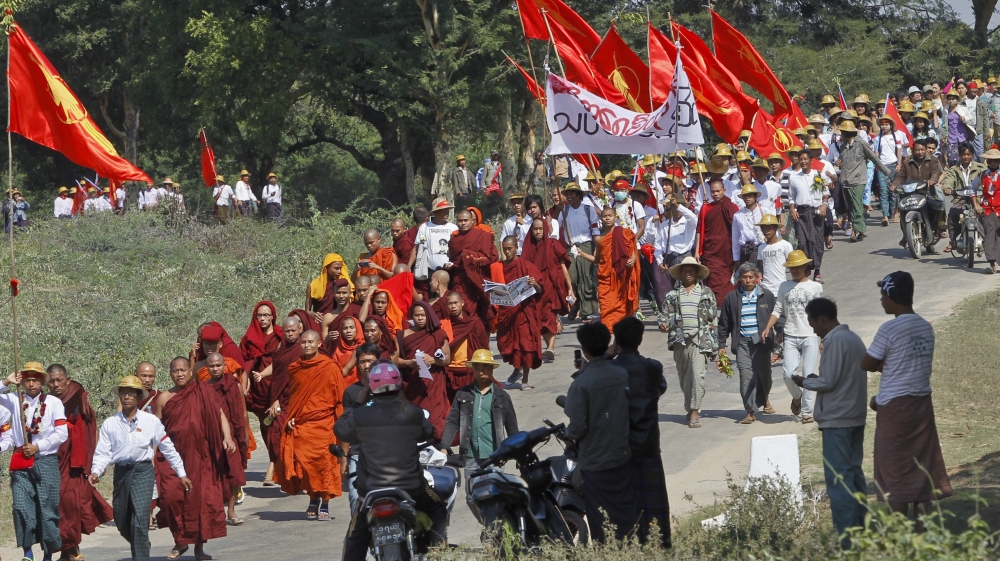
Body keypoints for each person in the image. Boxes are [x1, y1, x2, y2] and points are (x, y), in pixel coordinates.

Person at [862, 271, 952, 519]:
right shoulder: (925, 327)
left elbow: (867, 363)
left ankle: (899, 536)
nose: (881, 300)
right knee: (921, 467)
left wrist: (882, 367)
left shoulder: (889, 328)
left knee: (895, 468)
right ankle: (922, 533)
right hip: (922, 405)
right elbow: (908, 361)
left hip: (894, 408)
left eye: (883, 295)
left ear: (892, 295)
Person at [336, 362, 448, 561]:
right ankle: (438, 552)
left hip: (370, 489)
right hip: (412, 487)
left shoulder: (360, 414)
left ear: (371, 388)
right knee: (438, 507)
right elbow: (429, 431)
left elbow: (341, 430)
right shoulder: (412, 413)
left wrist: (357, 403)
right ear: (399, 386)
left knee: (355, 535)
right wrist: (405, 402)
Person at [790, 298, 868, 549]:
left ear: (822, 320)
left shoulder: (835, 341)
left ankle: (847, 539)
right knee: (854, 475)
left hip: (837, 419)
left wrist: (805, 382)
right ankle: (862, 531)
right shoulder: (854, 338)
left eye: (813, 324)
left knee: (839, 481)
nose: (813, 329)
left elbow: (829, 381)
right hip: (855, 416)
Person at [90, 376, 190, 561]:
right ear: (119, 396)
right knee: (121, 519)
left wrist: (181, 473)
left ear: (138, 397)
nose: (127, 397)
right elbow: (103, 451)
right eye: (123, 393)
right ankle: (142, 543)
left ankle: (141, 555)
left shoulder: (150, 421)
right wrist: (96, 471)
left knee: (140, 519)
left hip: (143, 471)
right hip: (121, 473)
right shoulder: (110, 424)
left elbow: (167, 447)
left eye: (131, 393)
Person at [153, 357, 236, 561]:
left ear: (191, 371)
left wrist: (227, 437)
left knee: (199, 502)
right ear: (170, 373)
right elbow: (154, 429)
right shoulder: (164, 398)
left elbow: (220, 416)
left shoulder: (203, 391)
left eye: (183, 370)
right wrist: (151, 455)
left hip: (201, 456)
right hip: (172, 457)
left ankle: (199, 548)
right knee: (171, 497)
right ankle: (180, 541)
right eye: (175, 371)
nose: (180, 374)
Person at [564, 322, 638, 543]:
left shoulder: (581, 384)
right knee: (623, 511)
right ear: (608, 344)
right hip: (623, 455)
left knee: (599, 518)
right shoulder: (622, 374)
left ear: (584, 349)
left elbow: (576, 428)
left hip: (595, 462)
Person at [609, 317, 670, 548]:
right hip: (649, 444)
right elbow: (661, 388)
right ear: (641, 339)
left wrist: (608, 354)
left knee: (627, 503)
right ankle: (660, 544)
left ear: (617, 341)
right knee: (655, 503)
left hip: (622, 447)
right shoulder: (652, 368)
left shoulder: (611, 369)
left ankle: (631, 546)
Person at [440, 349, 518, 520]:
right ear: (472, 369)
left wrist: (517, 451)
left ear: (492, 370)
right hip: (470, 456)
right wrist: (444, 447)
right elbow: (452, 422)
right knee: (472, 498)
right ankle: (489, 526)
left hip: (495, 456)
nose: (481, 371)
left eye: (485, 367)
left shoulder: (502, 396)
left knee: (494, 496)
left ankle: (495, 532)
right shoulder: (463, 395)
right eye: (477, 367)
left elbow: (512, 428)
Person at [0, 363, 67, 561]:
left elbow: (62, 432)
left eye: (35, 379)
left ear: (42, 382)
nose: (31, 383)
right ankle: (27, 552)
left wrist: (39, 446)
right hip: (21, 461)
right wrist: (6, 381)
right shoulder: (13, 399)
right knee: (21, 506)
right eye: (27, 379)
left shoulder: (53, 403)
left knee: (47, 509)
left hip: (46, 460)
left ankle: (47, 554)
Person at [47, 365, 113, 561]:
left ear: (68, 379)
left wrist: (93, 463)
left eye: (60, 380)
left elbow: (90, 428)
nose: (56, 384)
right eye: (52, 381)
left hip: (74, 463)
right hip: (53, 459)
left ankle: (72, 549)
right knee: (58, 505)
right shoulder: (47, 402)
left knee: (70, 504)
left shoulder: (77, 397)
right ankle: (68, 551)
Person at [276, 330, 344, 520]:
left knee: (325, 465)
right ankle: (313, 498)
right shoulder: (295, 368)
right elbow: (295, 397)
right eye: (303, 342)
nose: (306, 345)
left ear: (319, 344)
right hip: (303, 425)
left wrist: (341, 425)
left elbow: (339, 399)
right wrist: (291, 415)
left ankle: (325, 504)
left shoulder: (329, 367)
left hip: (325, 425)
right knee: (306, 466)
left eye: (310, 342)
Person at [762, 250, 823, 423]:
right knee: (788, 373)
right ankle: (797, 396)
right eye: (791, 267)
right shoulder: (784, 286)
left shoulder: (815, 287)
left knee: (809, 374)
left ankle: (807, 412)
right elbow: (777, 310)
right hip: (790, 335)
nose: (795, 270)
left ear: (805, 267)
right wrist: (768, 327)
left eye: (798, 267)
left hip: (810, 335)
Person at [657, 256, 718, 429]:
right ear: (681, 274)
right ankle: (690, 405)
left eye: (692, 270)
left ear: (698, 273)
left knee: (697, 375)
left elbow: (713, 320)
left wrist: (715, 346)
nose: (689, 273)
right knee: (685, 377)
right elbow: (663, 314)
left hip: (701, 340)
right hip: (679, 341)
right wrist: (662, 323)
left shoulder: (707, 294)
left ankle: (695, 411)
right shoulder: (672, 295)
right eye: (685, 270)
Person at [718, 263, 776, 424]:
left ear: (757, 278)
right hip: (743, 343)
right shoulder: (732, 298)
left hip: (763, 343)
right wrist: (721, 346)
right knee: (746, 376)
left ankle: (764, 397)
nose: (748, 280)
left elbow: (777, 316)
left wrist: (780, 336)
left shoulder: (767, 296)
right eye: (745, 277)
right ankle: (750, 411)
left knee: (765, 377)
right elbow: (724, 324)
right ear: (740, 279)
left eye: (751, 277)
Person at [493, 236, 544, 390]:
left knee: (525, 345)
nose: (507, 252)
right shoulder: (498, 267)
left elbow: (541, 290)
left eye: (510, 248)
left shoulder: (526, 266)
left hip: (524, 312)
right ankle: (517, 370)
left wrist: (535, 284)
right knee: (504, 345)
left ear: (516, 247)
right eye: (505, 249)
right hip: (506, 313)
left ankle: (525, 380)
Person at [260, 315, 305, 486]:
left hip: (299, 398)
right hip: (282, 398)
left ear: (299, 330)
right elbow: (278, 379)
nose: (291, 334)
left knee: (299, 439)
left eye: (293, 330)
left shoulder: (303, 349)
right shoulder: (280, 353)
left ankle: (299, 475)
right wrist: (276, 400)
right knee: (277, 435)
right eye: (287, 331)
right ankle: (287, 472)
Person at [204, 353, 249, 526]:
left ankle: (231, 511)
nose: (215, 368)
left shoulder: (233, 385)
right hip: (212, 436)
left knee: (233, 474)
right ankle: (216, 512)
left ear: (224, 366)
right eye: (212, 366)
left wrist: (243, 434)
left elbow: (242, 411)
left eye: (218, 365)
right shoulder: (204, 388)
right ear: (207, 368)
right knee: (213, 475)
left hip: (233, 434)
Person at [396, 302, 452, 439]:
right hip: (412, 384)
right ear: (412, 317)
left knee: (435, 420)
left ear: (429, 316)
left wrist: (433, 360)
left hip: (433, 384)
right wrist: (409, 363)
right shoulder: (402, 335)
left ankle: (436, 446)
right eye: (417, 315)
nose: (420, 318)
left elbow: (447, 359)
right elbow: (394, 360)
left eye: (423, 315)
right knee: (414, 419)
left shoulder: (438, 334)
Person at [578, 206, 638, 330]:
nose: (607, 218)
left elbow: (632, 249)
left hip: (621, 274)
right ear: (601, 218)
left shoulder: (624, 233)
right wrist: (582, 254)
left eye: (610, 215)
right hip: (606, 276)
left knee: (622, 304)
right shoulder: (599, 239)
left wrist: (632, 259)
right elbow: (598, 259)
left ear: (615, 217)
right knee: (605, 303)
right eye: (605, 216)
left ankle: (622, 328)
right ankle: (608, 327)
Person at [521, 218, 572, 362]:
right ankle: (548, 346)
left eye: (540, 229)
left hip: (551, 286)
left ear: (545, 229)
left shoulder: (552, 244)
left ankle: (551, 347)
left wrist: (570, 287)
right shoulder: (528, 247)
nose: (537, 232)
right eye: (535, 229)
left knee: (550, 314)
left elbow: (563, 266)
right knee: (539, 318)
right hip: (534, 289)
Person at [834, 121, 891, 243]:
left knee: (856, 205)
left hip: (858, 179)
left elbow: (874, 157)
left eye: (842, 133)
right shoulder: (843, 146)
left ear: (846, 133)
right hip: (845, 180)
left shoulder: (860, 144)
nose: (840, 136)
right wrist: (839, 163)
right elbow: (843, 162)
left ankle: (856, 229)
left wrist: (886, 172)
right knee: (852, 206)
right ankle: (861, 229)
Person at [341, 343, 379, 512]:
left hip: (384, 451)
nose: (366, 365)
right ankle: (356, 535)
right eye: (362, 361)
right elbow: (346, 428)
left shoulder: (391, 387)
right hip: (358, 452)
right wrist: (344, 458)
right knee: (356, 496)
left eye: (370, 361)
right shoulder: (351, 392)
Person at [240, 300, 283, 446]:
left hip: (277, 385)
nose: (263, 319)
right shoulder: (249, 339)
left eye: (266, 315)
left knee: (279, 423)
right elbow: (244, 362)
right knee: (265, 423)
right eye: (260, 315)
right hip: (258, 388)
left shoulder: (280, 336)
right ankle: (273, 458)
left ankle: (278, 461)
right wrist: (246, 381)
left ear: (272, 317)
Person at [557, 182, 601, 321]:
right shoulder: (564, 211)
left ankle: (586, 311)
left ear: (578, 195)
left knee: (586, 277)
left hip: (586, 245)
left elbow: (595, 230)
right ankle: (575, 304)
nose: (568, 196)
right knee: (572, 277)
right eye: (567, 194)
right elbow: (556, 228)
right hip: (570, 246)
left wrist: (596, 248)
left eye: (571, 194)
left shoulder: (588, 210)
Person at [447, 209, 498, 325]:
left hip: (478, 279)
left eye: (466, 220)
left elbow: (490, 257)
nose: (463, 223)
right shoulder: (454, 240)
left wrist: (468, 256)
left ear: (472, 221)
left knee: (482, 313)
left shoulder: (483, 236)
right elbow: (453, 259)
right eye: (460, 221)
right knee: (463, 309)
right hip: (460, 280)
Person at [788, 151, 831, 283]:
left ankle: (817, 271)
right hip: (801, 213)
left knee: (817, 242)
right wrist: (792, 209)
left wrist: (824, 205)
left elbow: (826, 193)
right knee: (802, 242)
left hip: (816, 213)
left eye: (805, 159)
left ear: (811, 160)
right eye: (801, 159)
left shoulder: (819, 174)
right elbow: (791, 196)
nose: (803, 162)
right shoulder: (794, 177)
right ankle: (806, 269)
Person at [891, 138, 943, 245]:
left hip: (926, 192)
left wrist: (932, 181)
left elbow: (935, 173)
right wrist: (895, 184)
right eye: (917, 150)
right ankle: (906, 234)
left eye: (922, 150)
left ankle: (937, 229)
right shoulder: (906, 162)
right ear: (913, 150)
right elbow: (900, 176)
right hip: (909, 194)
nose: (920, 152)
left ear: (925, 150)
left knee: (937, 206)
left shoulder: (933, 160)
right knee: (902, 209)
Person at [694, 179, 738, 301]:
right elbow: (699, 230)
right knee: (712, 277)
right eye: (713, 192)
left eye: (718, 191)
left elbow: (737, 229)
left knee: (726, 279)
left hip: (726, 250)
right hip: (711, 250)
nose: (715, 194)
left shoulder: (731, 206)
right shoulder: (706, 208)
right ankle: (713, 303)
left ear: (724, 191)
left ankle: (727, 303)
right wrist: (697, 251)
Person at [650, 193, 698, 303]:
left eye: (681, 205)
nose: (677, 208)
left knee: (686, 287)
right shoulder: (665, 225)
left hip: (685, 258)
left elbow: (693, 217)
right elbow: (658, 247)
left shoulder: (688, 222)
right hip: (670, 259)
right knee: (673, 290)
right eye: (675, 206)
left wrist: (677, 205)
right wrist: (660, 262)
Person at [442, 291, 488, 402]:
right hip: (449, 372)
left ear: (462, 303)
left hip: (470, 371)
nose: (453, 306)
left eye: (455, 303)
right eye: (450, 304)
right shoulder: (443, 325)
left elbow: (484, 348)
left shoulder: (475, 323)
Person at [942, 143, 987, 252]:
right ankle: (952, 241)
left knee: (985, 216)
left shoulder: (981, 168)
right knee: (953, 213)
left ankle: (989, 242)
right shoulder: (954, 169)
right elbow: (948, 180)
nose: (966, 157)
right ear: (960, 155)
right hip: (961, 199)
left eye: (968, 154)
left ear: (972, 155)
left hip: (978, 198)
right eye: (963, 154)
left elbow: (988, 179)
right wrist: (947, 188)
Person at [410, 197, 458, 277]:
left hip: (449, 271)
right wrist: (409, 266)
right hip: (430, 271)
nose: (447, 212)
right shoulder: (425, 227)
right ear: (435, 212)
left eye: (448, 209)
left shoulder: (453, 228)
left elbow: (457, 249)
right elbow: (418, 247)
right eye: (443, 210)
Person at [306, 253, 354, 321]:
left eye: (340, 268)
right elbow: (307, 311)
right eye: (336, 268)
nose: (339, 271)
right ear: (327, 267)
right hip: (320, 321)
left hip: (339, 320)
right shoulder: (313, 285)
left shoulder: (344, 285)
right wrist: (313, 315)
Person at [757, 215, 792, 297]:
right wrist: (759, 275)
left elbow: (792, 265)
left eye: (768, 228)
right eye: (763, 228)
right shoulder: (761, 248)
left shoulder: (785, 245)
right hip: (765, 289)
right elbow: (761, 266)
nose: (765, 231)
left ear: (776, 227)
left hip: (780, 288)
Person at [980, 149, 1000, 273]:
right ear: (987, 162)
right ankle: (991, 262)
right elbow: (972, 188)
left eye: (996, 161)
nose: (993, 163)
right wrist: (975, 203)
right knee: (990, 235)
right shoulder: (982, 175)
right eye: (990, 161)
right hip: (988, 210)